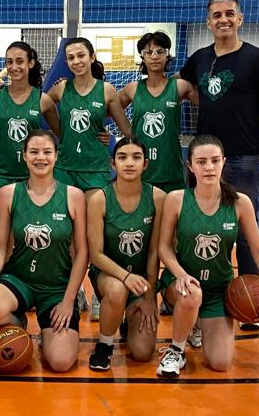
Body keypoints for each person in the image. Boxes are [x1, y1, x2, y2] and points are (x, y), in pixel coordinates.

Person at [177, 0, 259, 331]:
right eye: (216, 15)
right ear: (208, 22)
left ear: (240, 19)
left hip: (244, 160)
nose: (223, 20)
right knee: (193, 231)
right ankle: (187, 295)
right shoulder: (199, 59)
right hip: (202, 161)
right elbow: (182, 91)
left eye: (229, 14)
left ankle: (251, 302)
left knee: (246, 236)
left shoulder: (257, 58)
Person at [156, 134, 259, 378]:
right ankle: (176, 351)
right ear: (190, 166)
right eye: (201, 162)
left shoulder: (240, 202)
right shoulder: (176, 200)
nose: (209, 167)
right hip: (180, 285)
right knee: (192, 294)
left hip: (219, 289)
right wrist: (180, 275)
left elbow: (257, 250)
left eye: (215, 160)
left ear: (224, 162)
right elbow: (164, 248)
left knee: (220, 363)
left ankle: (196, 323)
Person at [0, 129, 87, 372]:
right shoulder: (8, 194)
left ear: (56, 156)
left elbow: (82, 254)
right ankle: (17, 322)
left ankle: (48, 336)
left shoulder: (74, 196)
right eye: (33, 152)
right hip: (19, 280)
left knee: (61, 362)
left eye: (47, 152)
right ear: (24, 156)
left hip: (56, 287)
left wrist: (68, 301)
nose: (40, 157)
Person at [86, 137, 165, 371]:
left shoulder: (158, 198)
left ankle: (127, 320)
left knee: (142, 353)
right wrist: (125, 276)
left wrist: (150, 297)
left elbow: (154, 251)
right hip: (108, 276)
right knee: (117, 289)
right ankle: (105, 345)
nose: (129, 163)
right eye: (122, 157)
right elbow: (96, 254)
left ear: (145, 164)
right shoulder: (99, 199)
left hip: (141, 281)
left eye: (136, 157)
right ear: (113, 164)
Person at [0, 41, 60, 191]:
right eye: (9, 62)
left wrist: (99, 134)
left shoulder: (43, 100)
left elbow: (62, 133)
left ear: (30, 63)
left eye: (19, 61)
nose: (14, 67)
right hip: (1, 174)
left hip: (33, 172)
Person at [46, 37, 131, 194]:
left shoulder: (107, 90)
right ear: (66, 62)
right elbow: (38, 106)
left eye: (81, 55)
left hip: (95, 168)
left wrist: (111, 136)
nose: (76, 61)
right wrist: (57, 132)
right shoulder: (61, 87)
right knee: (63, 217)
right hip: (65, 167)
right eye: (71, 58)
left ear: (92, 57)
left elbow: (127, 130)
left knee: (94, 216)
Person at [120, 32, 196, 193]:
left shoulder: (180, 86)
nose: (154, 56)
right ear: (142, 57)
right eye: (149, 52)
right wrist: (123, 132)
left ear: (167, 55)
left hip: (171, 170)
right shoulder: (132, 89)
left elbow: (213, 105)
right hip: (141, 171)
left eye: (160, 51)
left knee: (173, 217)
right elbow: (104, 111)